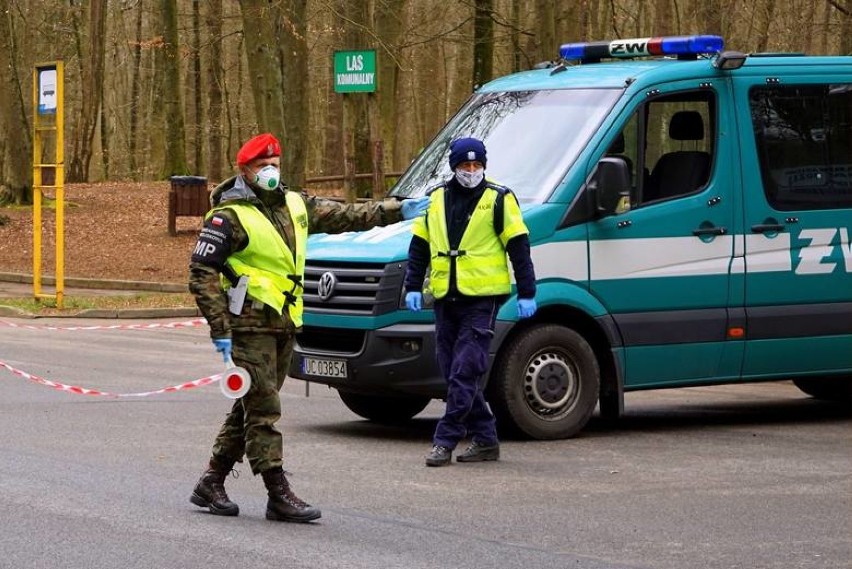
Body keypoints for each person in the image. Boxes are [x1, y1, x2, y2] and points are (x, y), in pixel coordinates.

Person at [188, 133, 429, 521]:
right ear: (244, 171)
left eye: (275, 165)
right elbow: (201, 273)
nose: (270, 172)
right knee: (264, 409)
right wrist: (220, 328)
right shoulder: (227, 217)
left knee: (251, 405)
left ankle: (211, 481)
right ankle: (277, 491)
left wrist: (398, 210)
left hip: (285, 322)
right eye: (261, 166)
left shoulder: (295, 204)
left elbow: (349, 215)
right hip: (250, 325)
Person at [404, 137, 537, 467]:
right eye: (466, 166)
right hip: (446, 297)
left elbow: (519, 248)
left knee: (466, 371)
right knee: (452, 372)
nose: (472, 171)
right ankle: (487, 438)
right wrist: (411, 285)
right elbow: (419, 247)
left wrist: (527, 291)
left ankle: (444, 440)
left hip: (482, 299)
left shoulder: (499, 199)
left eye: (478, 166)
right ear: (455, 167)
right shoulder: (435, 199)